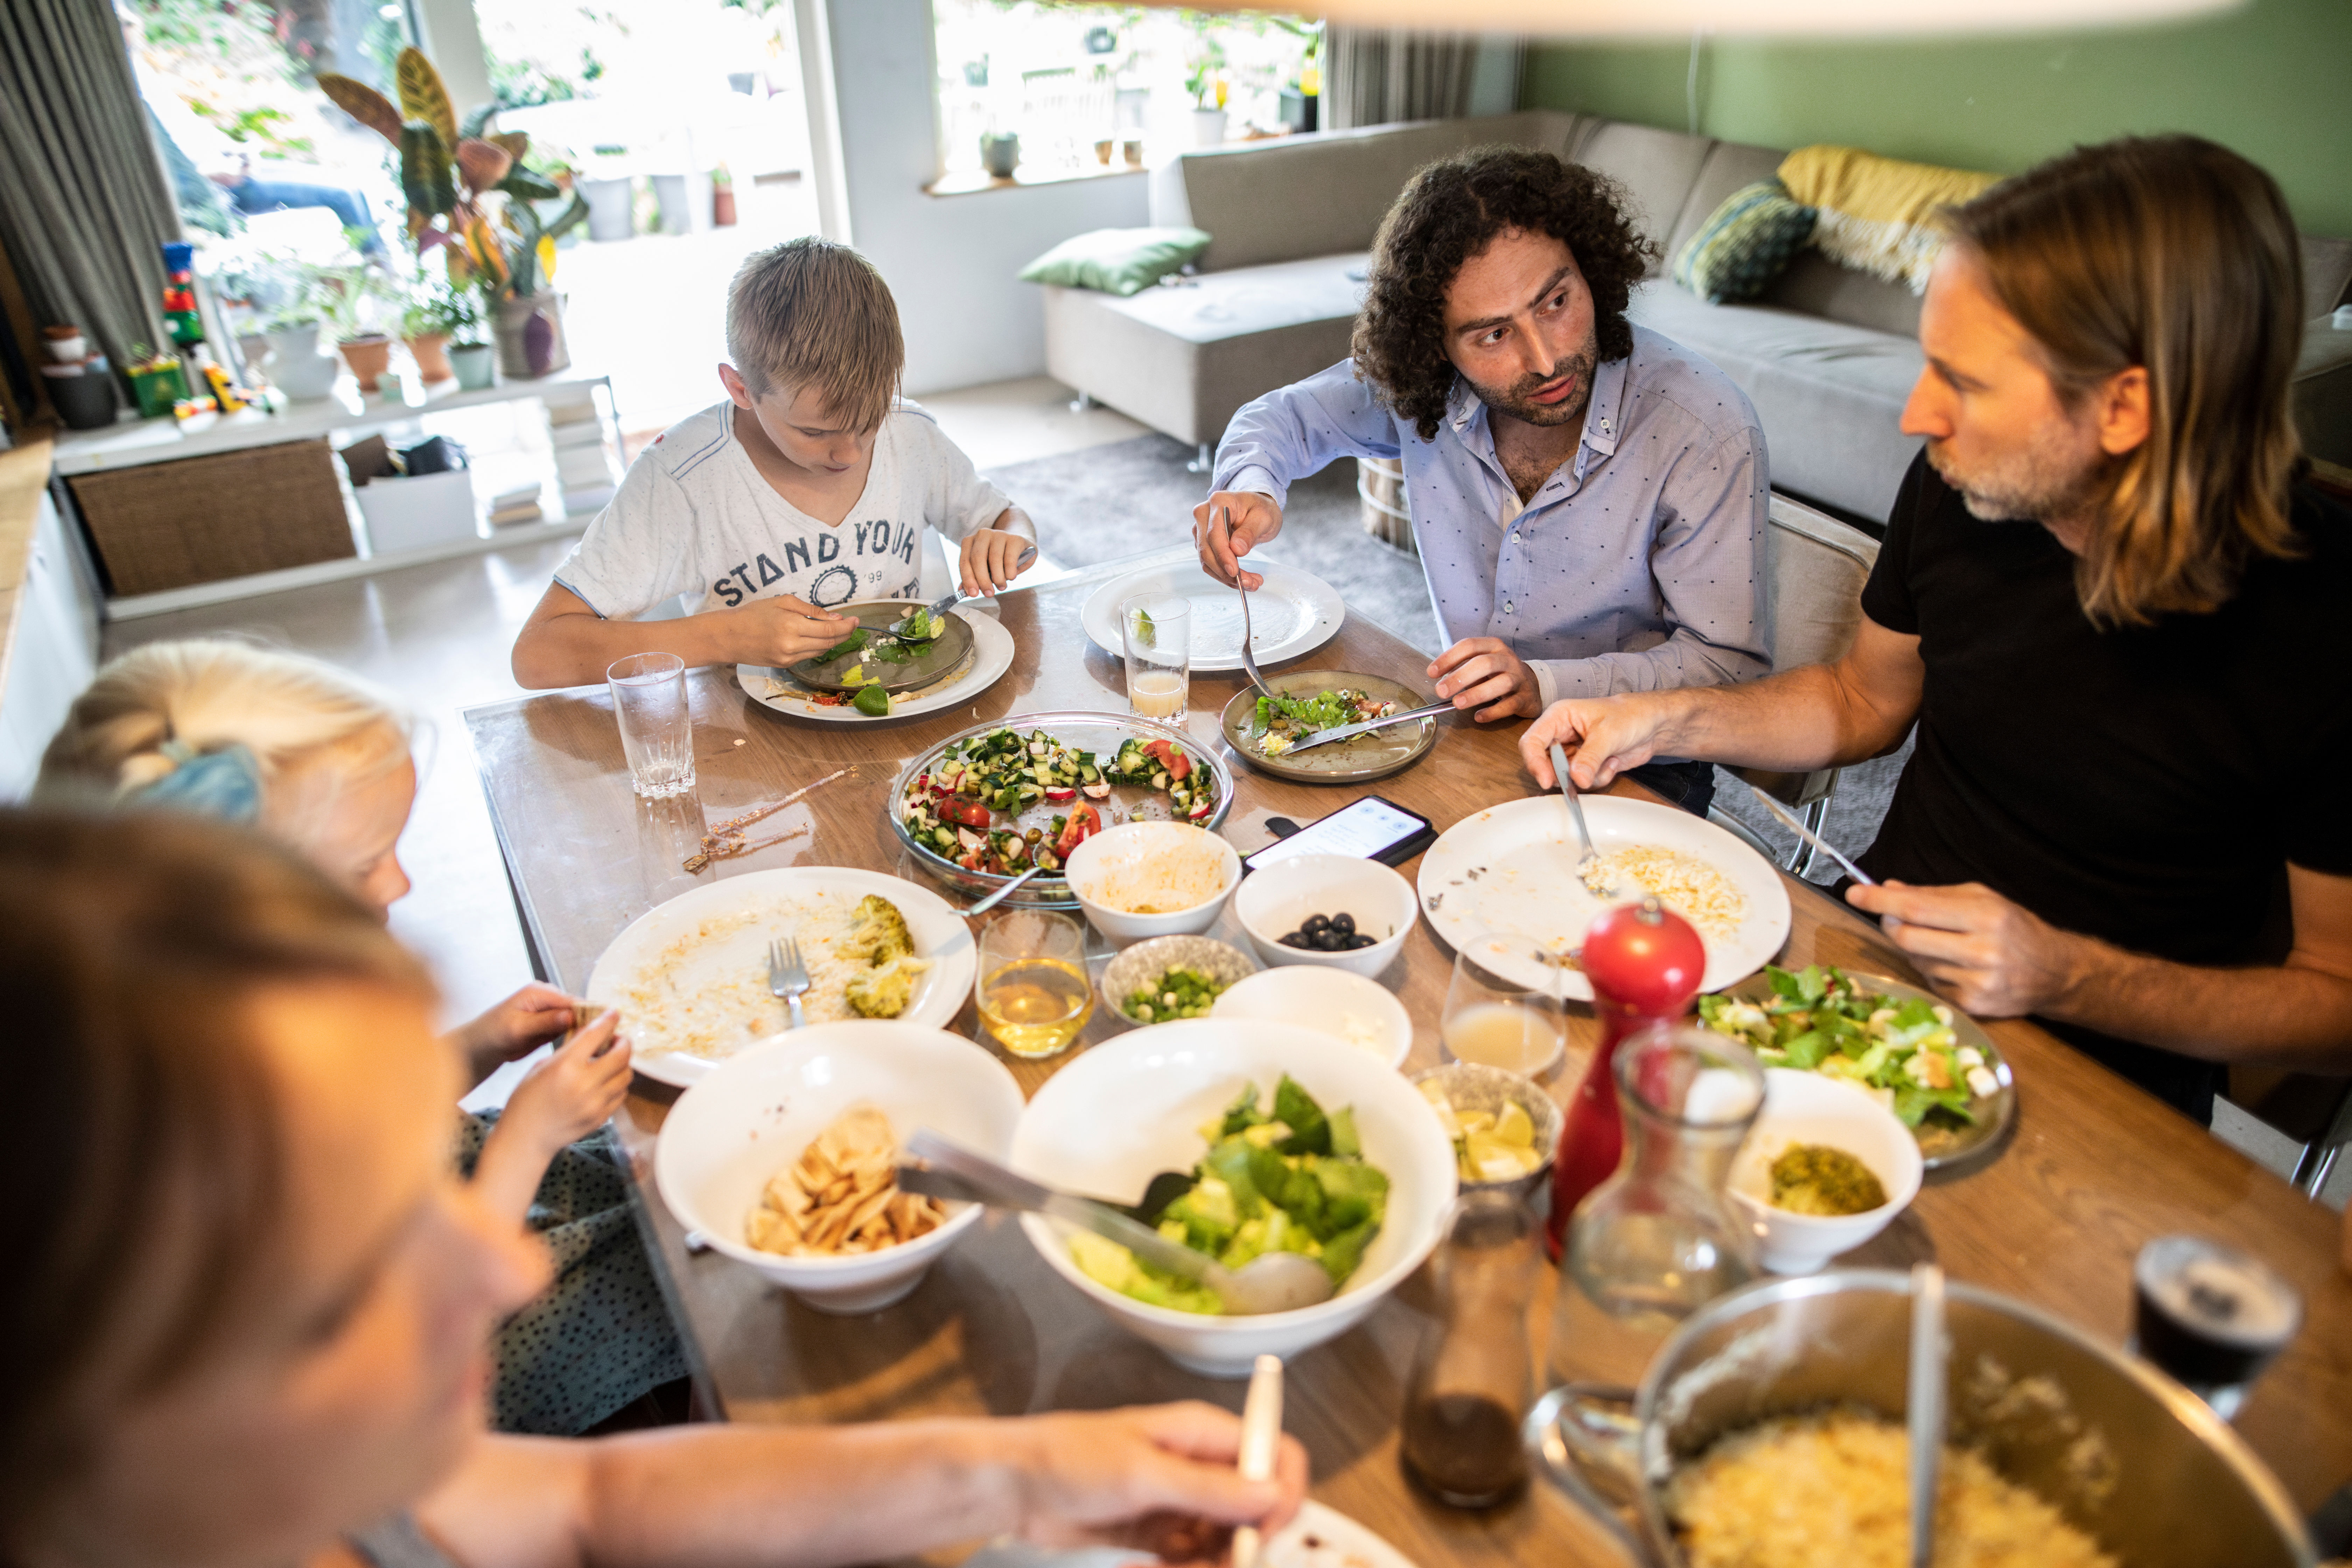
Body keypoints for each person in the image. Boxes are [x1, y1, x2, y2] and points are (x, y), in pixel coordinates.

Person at [0, 808, 1309, 1568]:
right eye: (349, 1281)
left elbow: (589, 1500)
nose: (509, 1262)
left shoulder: (309, 1483)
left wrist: (1018, 1474)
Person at [1521, 135, 2352, 1124]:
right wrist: (1661, 720)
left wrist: (2065, 976)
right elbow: (1862, 700)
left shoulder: (2323, 614)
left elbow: (2334, 1006)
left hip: (2098, 1085)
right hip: (1868, 969)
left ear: (2127, 405)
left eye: (1966, 382)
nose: (1920, 416)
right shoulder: (1969, 488)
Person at [33, 639, 670, 1434]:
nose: (400, 883)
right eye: (369, 862)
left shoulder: (208, 998)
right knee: (674, 1266)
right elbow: (404, 1317)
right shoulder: (191, 1127)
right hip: (431, 1359)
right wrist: (528, 1137)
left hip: (449, 1192)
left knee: (647, 1177)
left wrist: (474, 1047)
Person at [1193, 145, 1771, 815]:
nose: (1547, 356)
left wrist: (1545, 686)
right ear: (1435, 345)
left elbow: (1730, 668)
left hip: (1633, 768)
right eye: (1493, 336)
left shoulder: (1704, 428)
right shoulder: (1428, 389)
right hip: (1466, 727)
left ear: (1593, 269)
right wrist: (1254, 486)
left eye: (1556, 301)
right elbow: (1282, 419)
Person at [511, 238, 1040, 689]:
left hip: (913, 711)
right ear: (741, 389)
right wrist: (722, 636)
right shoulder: (681, 479)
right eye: (814, 432)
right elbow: (537, 655)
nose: (850, 453)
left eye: (870, 420)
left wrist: (1009, 540)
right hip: (757, 746)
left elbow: (1008, 521)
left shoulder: (911, 435)